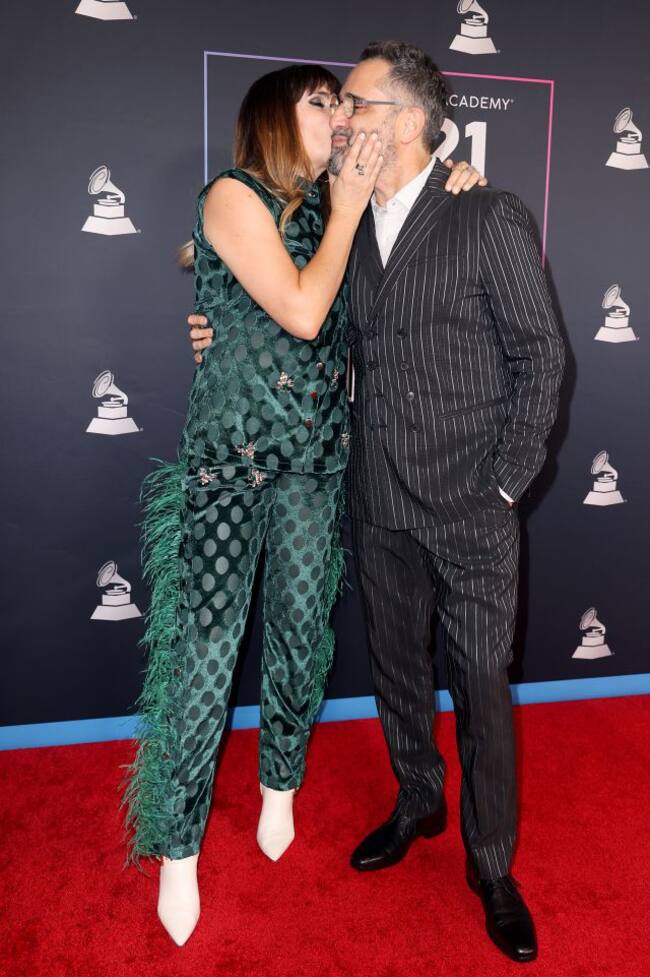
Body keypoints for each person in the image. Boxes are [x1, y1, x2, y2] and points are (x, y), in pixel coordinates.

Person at [191, 40, 565, 966]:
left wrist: (506, 484)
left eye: (354, 103)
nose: (341, 118)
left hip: (474, 503)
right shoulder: (340, 221)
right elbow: (262, 279)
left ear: (406, 120)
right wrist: (210, 320)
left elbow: (544, 358)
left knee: (479, 684)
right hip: (376, 493)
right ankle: (416, 800)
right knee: (397, 670)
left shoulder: (490, 214)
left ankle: (491, 867)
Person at [126, 61, 484, 949]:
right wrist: (350, 205)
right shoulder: (232, 193)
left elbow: (390, 288)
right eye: (322, 101)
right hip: (229, 464)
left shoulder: (340, 213)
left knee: (297, 628)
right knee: (207, 651)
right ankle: (177, 847)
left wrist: (460, 186)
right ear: (276, 118)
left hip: (316, 463)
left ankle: (279, 783)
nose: (341, 115)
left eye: (345, 100)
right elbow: (300, 310)